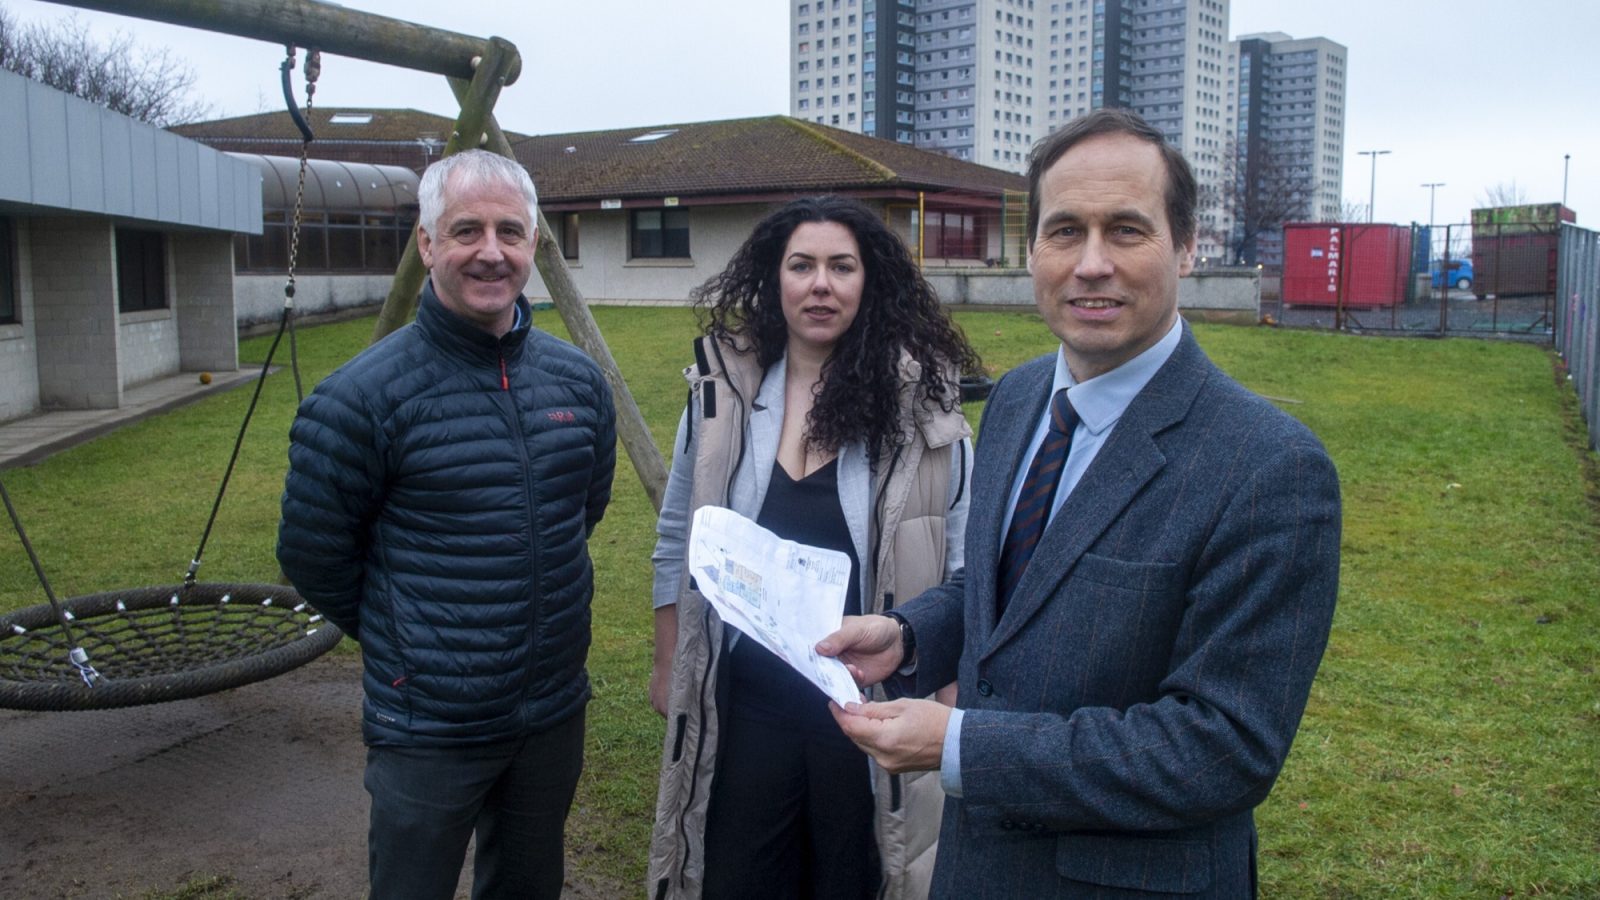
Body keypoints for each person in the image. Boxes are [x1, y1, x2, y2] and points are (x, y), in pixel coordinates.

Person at [818, 108, 1342, 898]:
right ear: (1033, 250)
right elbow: (1012, 591)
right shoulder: (1019, 396)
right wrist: (911, 634)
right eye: (1064, 231)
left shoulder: (1271, 469)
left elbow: (1222, 748)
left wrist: (962, 748)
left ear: (1187, 247)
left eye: (1126, 230)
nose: (1091, 264)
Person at [276, 149, 616, 900]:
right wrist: (414, 641)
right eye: (467, 231)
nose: (491, 252)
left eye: (510, 232)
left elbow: (580, 512)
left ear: (533, 244)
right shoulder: (357, 400)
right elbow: (313, 555)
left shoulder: (580, 384)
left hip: (551, 712)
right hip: (428, 726)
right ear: (427, 244)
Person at [647, 196, 980, 899]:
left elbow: (963, 561)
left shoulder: (925, 413)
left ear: (870, 281)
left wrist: (951, 691)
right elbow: (677, 534)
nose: (820, 284)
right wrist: (667, 660)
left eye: (841, 267)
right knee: (739, 878)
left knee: (852, 878)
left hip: (866, 711)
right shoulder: (721, 401)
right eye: (801, 266)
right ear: (775, 279)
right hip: (747, 705)